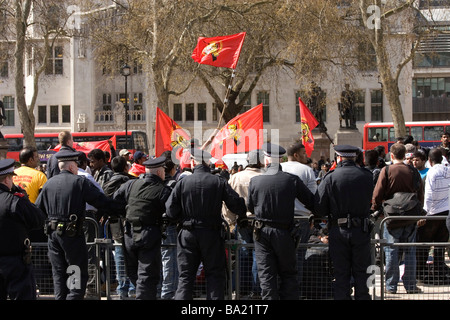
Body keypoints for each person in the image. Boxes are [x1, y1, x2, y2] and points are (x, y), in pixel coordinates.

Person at [35, 150, 119, 300]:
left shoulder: (48, 183)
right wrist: (121, 206)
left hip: (53, 236)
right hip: (72, 236)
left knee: (59, 274)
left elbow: (37, 210)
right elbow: (101, 202)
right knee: (75, 273)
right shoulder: (79, 182)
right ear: (73, 166)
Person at [165, 148, 247, 300]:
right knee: (215, 276)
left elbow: (170, 210)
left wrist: (181, 219)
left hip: (188, 233)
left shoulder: (183, 183)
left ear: (193, 162)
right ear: (208, 162)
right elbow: (237, 205)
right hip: (211, 234)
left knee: (185, 278)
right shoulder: (218, 181)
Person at [248, 143, 315, 300]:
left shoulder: (256, 181)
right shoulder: (291, 180)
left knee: (266, 275)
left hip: (262, 232)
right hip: (285, 232)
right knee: (288, 275)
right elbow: (311, 201)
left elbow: (251, 207)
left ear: (266, 160)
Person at [316, 145, 373, 300]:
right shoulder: (367, 175)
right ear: (354, 157)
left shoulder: (330, 177)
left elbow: (319, 207)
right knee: (362, 272)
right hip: (361, 229)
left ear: (338, 158)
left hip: (338, 230)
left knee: (341, 274)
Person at [113, 156, 172, 300]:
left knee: (134, 273)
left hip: (128, 234)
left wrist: (126, 212)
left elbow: (115, 200)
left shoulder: (131, 185)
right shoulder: (163, 190)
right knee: (147, 275)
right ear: (159, 172)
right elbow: (172, 211)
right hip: (148, 235)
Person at [372, 142, 424, 294]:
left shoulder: (386, 170)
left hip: (391, 217)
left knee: (391, 251)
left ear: (392, 155)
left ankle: (391, 286)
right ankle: (410, 285)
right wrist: (419, 212)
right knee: (410, 251)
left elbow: (378, 193)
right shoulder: (413, 171)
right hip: (411, 216)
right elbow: (420, 192)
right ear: (405, 155)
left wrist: (375, 208)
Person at [0, 159, 46, 300]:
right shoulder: (14, 200)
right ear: (7, 179)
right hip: (15, 261)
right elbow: (38, 219)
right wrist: (23, 197)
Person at [222, 149, 264, 298]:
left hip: (241, 221)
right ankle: (255, 289)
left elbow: (226, 203)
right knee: (257, 255)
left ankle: (241, 288)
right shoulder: (264, 177)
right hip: (259, 222)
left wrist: (230, 221)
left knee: (243, 253)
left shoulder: (235, 177)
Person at [280, 142, 317, 298]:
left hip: (279, 219)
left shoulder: (278, 169)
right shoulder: (307, 170)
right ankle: (295, 293)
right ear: (296, 155)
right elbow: (313, 197)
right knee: (298, 258)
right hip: (301, 218)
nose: (306, 156)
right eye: (303, 153)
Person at [102, 156, 136, 299]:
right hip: (129, 221)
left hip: (114, 222)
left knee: (119, 253)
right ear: (125, 167)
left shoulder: (107, 183)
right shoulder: (131, 181)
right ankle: (133, 287)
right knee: (132, 253)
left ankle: (122, 287)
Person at [417, 148, 450, 284]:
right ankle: (439, 272)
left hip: (433, 213)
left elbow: (429, 195)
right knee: (440, 246)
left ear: (429, 161)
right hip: (446, 213)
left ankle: (421, 273)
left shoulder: (431, 173)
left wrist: (425, 213)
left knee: (424, 244)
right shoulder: (448, 170)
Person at [160, 152, 179, 300]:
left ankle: (163, 290)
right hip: (169, 227)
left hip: (156, 226)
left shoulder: (154, 182)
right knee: (169, 259)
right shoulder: (173, 184)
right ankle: (168, 292)